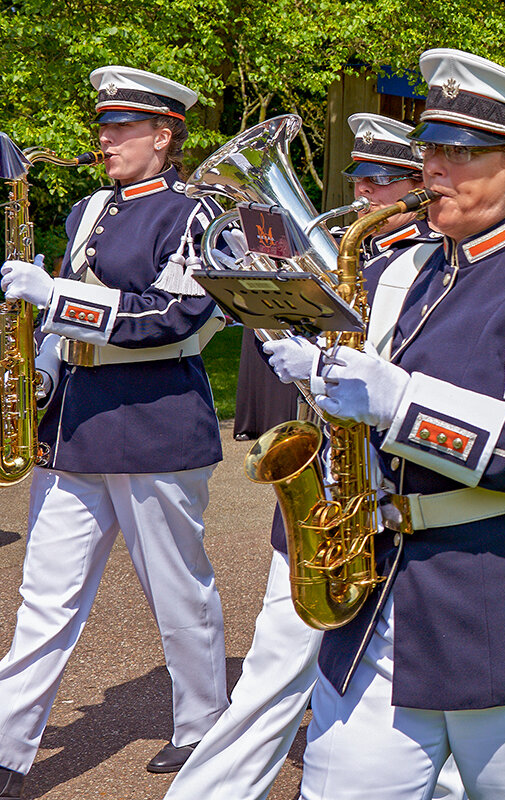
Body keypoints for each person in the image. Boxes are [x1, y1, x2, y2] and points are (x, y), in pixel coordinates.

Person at [265, 48, 505, 799]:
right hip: (377, 604)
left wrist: (399, 404)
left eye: (460, 153)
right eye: (429, 149)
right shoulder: (397, 272)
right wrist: (320, 374)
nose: (434, 169)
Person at [162, 112, 441, 800]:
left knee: (412, 678)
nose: (366, 193)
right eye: (361, 180)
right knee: (274, 667)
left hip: (408, 494)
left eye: (381, 181)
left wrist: (320, 364)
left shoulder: (440, 266)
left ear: (416, 185)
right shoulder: (350, 257)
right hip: (332, 491)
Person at [0, 66, 229, 796]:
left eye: (119, 128)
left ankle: (202, 723)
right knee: (45, 596)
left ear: (163, 136)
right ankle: (9, 745)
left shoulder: (196, 212)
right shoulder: (91, 207)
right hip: (77, 422)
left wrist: (57, 294)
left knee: (176, 590)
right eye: (102, 126)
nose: (103, 139)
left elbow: (174, 316)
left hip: (155, 418)